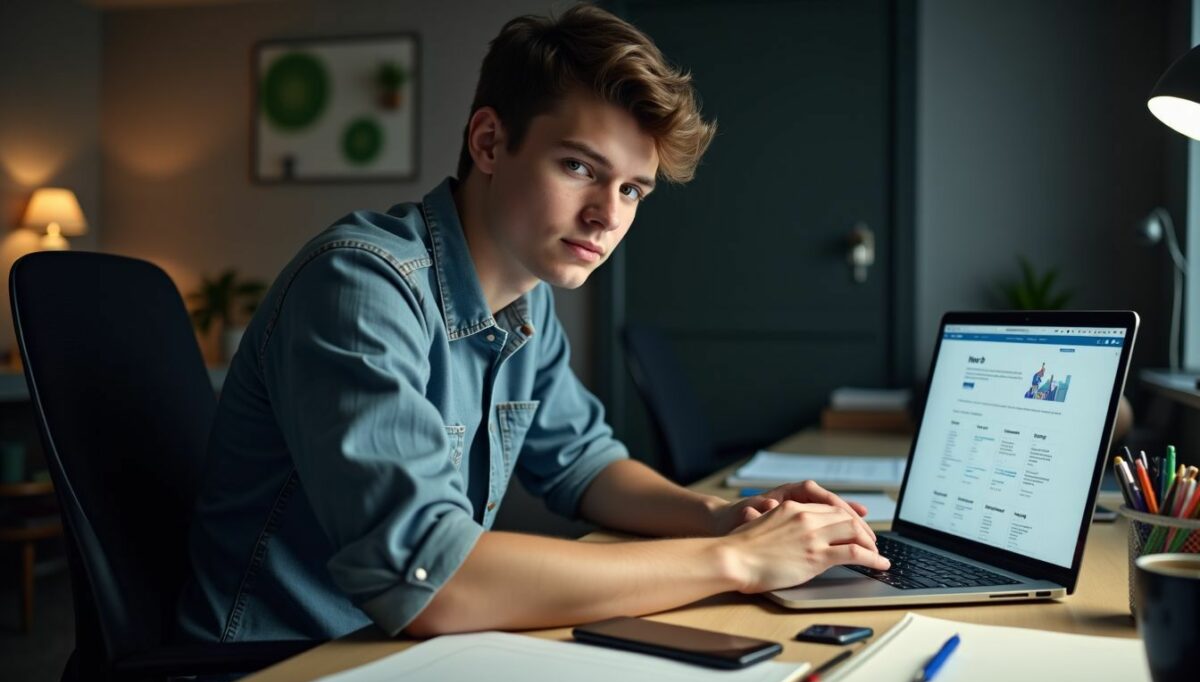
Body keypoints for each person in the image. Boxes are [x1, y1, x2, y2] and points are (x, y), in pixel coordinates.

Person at [177, 5, 888, 649]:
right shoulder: (360, 286)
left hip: (399, 651)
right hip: (282, 660)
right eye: (580, 166)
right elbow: (436, 580)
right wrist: (735, 561)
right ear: (489, 143)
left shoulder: (526, 299)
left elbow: (585, 466)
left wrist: (721, 518)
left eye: (632, 189)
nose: (608, 216)